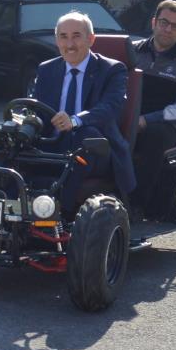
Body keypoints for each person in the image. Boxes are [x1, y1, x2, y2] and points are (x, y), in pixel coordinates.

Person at [27, 11, 134, 209]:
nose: (69, 44)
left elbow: (110, 108)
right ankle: (0, 207)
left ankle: (61, 212)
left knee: (86, 135)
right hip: (53, 143)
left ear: (91, 39)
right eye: (63, 37)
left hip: (96, 149)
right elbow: (35, 108)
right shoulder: (46, 69)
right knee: (10, 139)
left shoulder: (112, 69)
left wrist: (75, 120)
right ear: (57, 41)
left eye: (76, 36)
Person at [128, 0, 176, 218]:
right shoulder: (131, 51)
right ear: (154, 22)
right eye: (164, 22)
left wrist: (146, 120)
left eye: (175, 26)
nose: (168, 29)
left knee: (153, 136)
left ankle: (136, 205)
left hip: (164, 128)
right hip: (126, 120)